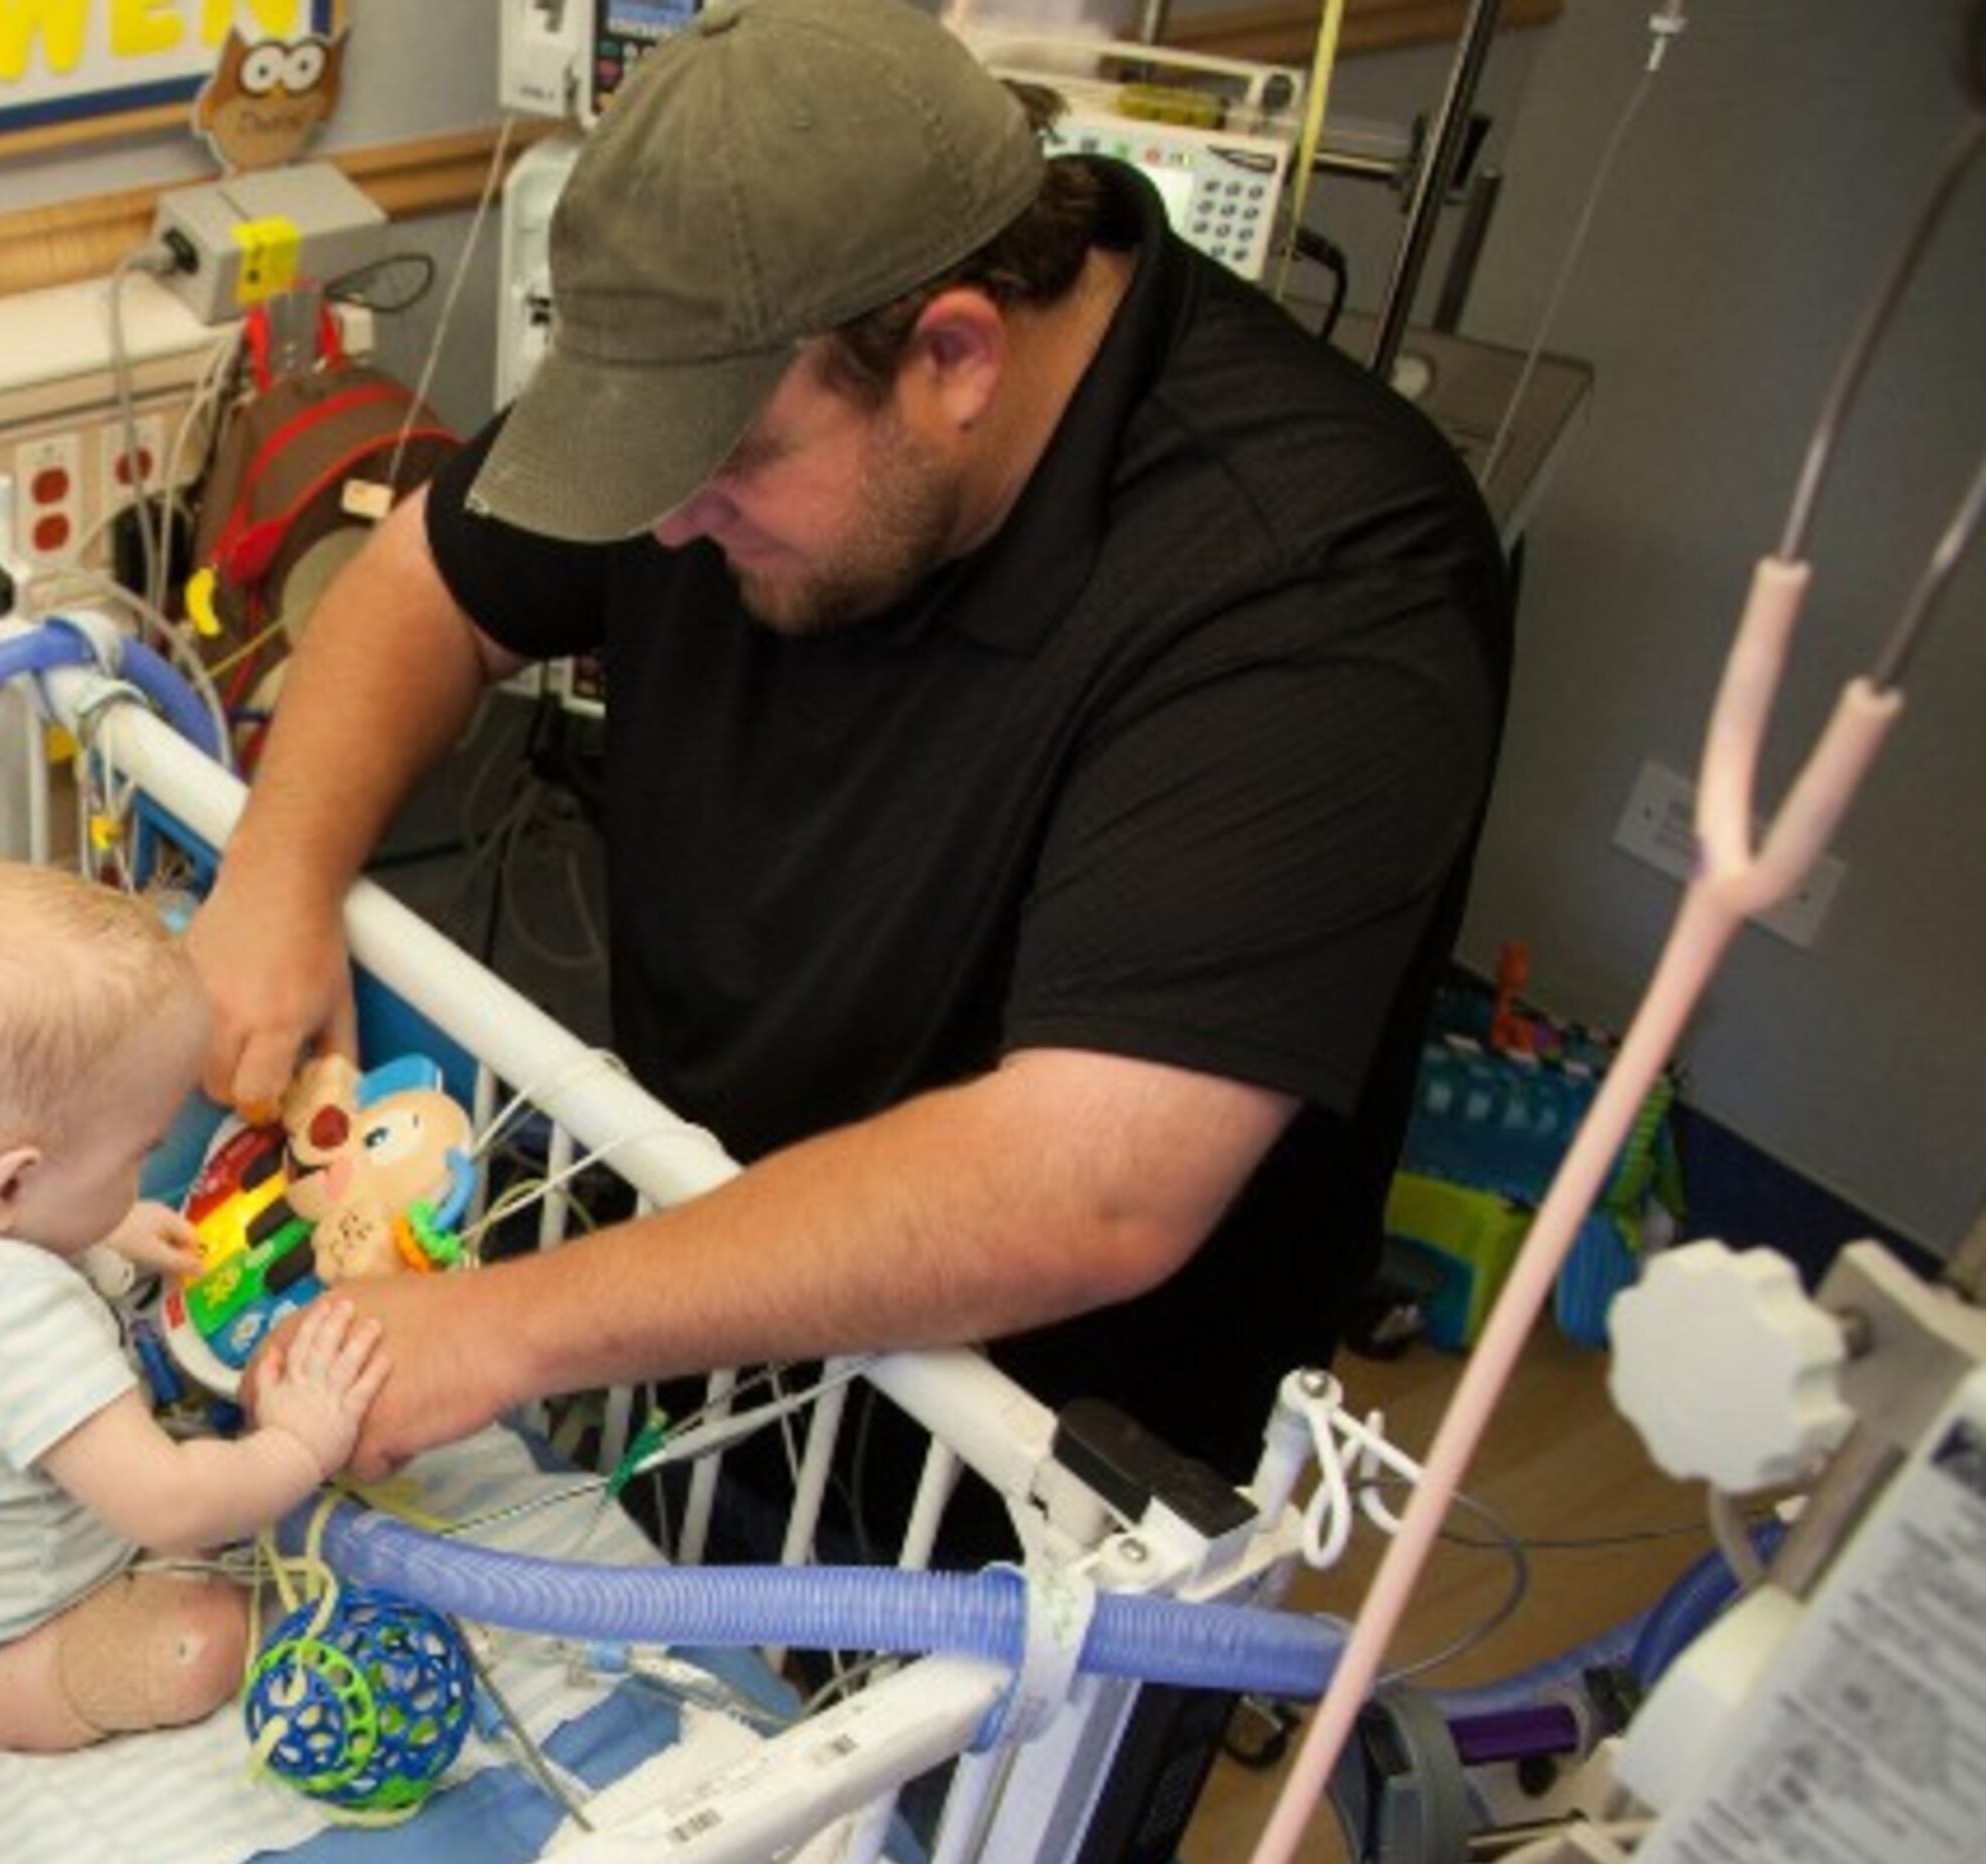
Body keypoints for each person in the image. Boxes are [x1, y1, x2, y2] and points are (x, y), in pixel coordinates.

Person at [188, 0, 1512, 1487]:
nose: (666, 526)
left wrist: (505, 1329)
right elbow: (427, 582)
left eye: (720, 470)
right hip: (692, 1312)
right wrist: (280, 871)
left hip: (1015, 1469)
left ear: (952, 356)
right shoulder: (759, 380)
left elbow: (1085, 1184)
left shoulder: (1322, 586)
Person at [0, 862, 385, 1753]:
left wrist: (106, 1225)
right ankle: (12, 1700)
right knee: (200, 1643)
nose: (145, 1172)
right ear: (12, 1183)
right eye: (137, 1156)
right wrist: (299, 1444)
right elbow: (171, 1505)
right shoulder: (9, 1324)